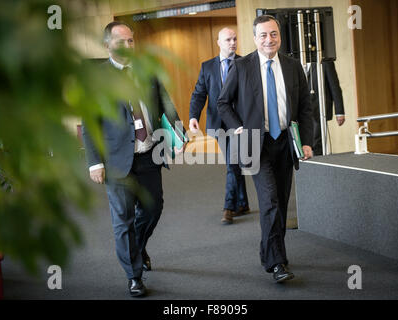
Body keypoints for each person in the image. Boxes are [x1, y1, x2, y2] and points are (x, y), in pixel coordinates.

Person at [82, 21, 184, 297]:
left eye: (131, 41)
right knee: (123, 219)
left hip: (149, 154)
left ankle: (136, 248)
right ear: (107, 45)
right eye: (121, 42)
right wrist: (95, 162)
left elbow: (165, 104)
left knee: (153, 208)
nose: (128, 46)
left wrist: (179, 133)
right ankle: (134, 275)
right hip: (116, 160)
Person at [217, 15, 313, 283]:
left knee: (280, 203)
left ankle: (269, 252)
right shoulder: (242, 66)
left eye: (273, 34)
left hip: (285, 142)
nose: (269, 40)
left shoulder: (294, 67)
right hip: (256, 145)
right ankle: (277, 263)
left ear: (279, 36)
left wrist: (306, 141)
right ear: (255, 38)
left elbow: (305, 107)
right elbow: (223, 103)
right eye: (263, 35)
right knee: (269, 201)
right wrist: (237, 127)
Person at [189, 27, 250, 225]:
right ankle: (242, 202)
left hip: (238, 124)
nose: (232, 43)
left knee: (232, 163)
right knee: (233, 164)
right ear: (218, 42)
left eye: (234, 39)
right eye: (227, 40)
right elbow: (199, 94)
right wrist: (193, 116)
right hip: (218, 123)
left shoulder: (245, 63)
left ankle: (228, 207)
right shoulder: (207, 67)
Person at [307, 60, 345, 155]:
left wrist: (339, 112)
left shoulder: (325, 63)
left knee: (316, 143)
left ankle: (318, 166)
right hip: (302, 113)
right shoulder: (296, 62)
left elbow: (335, 87)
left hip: (319, 111)